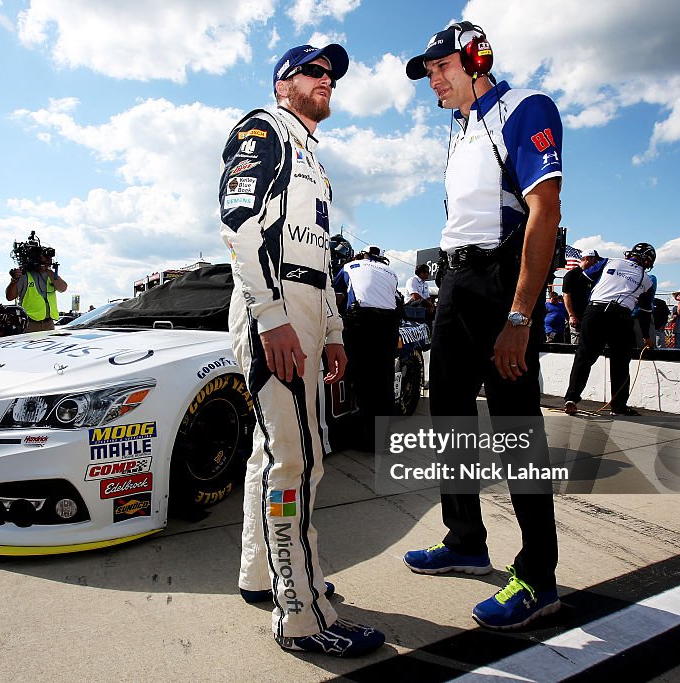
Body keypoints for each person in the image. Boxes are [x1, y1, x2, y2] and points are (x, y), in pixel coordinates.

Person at [218, 42, 384, 657]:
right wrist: (270, 316)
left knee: (274, 454)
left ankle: (263, 576)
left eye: (332, 75)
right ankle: (304, 614)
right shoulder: (263, 130)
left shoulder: (311, 154)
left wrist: (335, 330)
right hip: (276, 306)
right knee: (299, 458)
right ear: (283, 83)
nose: (328, 81)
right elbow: (238, 224)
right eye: (314, 72)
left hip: (307, 304)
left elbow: (321, 255)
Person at [401, 21, 563, 630]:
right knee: (448, 418)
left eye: (441, 67)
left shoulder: (524, 107)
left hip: (502, 281)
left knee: (518, 432)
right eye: (430, 72)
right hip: (456, 282)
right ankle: (466, 540)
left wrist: (520, 314)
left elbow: (544, 211)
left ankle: (538, 578)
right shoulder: (461, 128)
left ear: (475, 59)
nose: (433, 81)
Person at [563, 243, 657, 416]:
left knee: (584, 356)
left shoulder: (609, 261)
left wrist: (583, 310)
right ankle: (618, 406)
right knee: (621, 362)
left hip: (595, 311)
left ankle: (571, 397)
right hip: (621, 316)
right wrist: (646, 337)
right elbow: (644, 312)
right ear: (648, 260)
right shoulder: (647, 280)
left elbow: (583, 279)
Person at [334, 246, 401, 451]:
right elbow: (396, 301)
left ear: (361, 255)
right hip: (389, 325)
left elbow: (335, 297)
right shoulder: (392, 273)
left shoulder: (349, 266)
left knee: (363, 379)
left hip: (362, 321)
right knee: (385, 379)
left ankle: (368, 439)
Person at [6, 248, 68, 332]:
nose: (48, 260)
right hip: (30, 324)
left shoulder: (51, 275)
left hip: (49, 323)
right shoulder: (24, 275)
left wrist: (49, 272)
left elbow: (63, 288)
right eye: (45, 258)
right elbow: (10, 297)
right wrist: (14, 281)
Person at [562, 249, 599, 344]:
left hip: (589, 315)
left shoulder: (592, 276)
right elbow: (566, 295)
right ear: (587, 258)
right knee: (577, 344)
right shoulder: (572, 275)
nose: (596, 263)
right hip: (577, 317)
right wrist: (572, 315)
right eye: (595, 260)